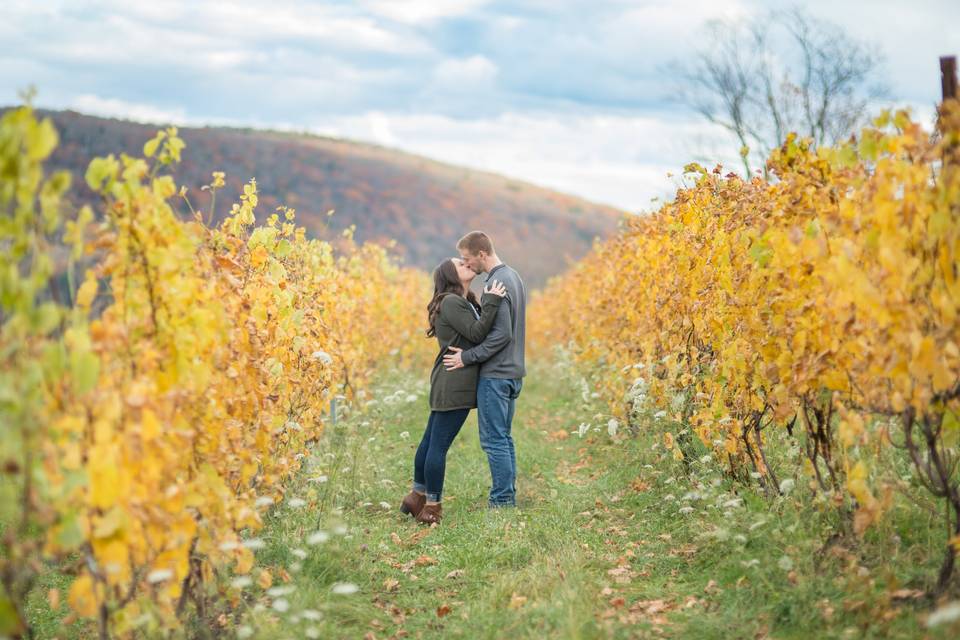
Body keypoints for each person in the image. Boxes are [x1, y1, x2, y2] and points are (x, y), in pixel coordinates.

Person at [399, 258, 507, 524]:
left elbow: (470, 334)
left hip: (449, 379)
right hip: (455, 381)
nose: (466, 263)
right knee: (438, 445)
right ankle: (432, 508)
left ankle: (416, 496)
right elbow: (477, 333)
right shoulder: (452, 301)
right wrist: (492, 300)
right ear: (450, 274)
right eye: (460, 263)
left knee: (429, 442)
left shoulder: (464, 299)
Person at [443, 231, 526, 508]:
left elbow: (502, 335)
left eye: (468, 259)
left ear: (481, 254)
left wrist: (468, 357)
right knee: (504, 437)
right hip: (512, 372)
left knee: (494, 441)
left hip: (496, 375)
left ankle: (502, 501)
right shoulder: (513, 276)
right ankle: (508, 495)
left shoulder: (497, 281)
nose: (468, 266)